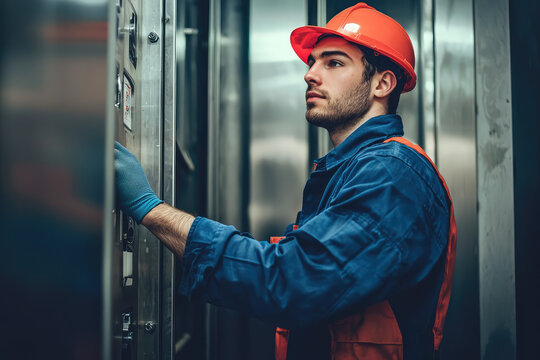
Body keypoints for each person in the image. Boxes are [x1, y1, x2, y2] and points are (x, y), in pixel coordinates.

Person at [115, 3, 456, 359]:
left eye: (334, 63)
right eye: (312, 62)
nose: (310, 74)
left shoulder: (393, 176)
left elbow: (293, 281)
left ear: (382, 83)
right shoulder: (351, 171)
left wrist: (149, 209)